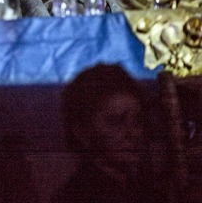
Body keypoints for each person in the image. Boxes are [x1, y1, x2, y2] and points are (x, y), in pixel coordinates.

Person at [51, 64, 166, 203]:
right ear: (83, 133)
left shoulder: (145, 191)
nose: (134, 133)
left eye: (137, 121)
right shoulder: (76, 197)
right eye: (116, 122)